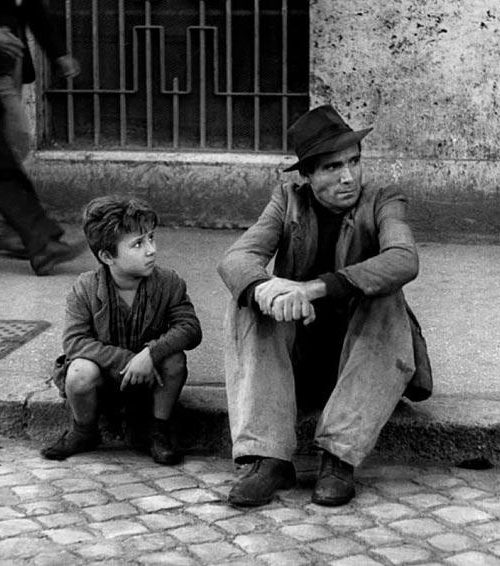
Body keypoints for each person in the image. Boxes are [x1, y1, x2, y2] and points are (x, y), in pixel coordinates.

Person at [217, 104, 432, 507]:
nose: (348, 176)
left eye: (354, 161)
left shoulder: (383, 199)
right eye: (333, 167)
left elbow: (404, 259)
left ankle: (338, 458)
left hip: (363, 361)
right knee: (247, 299)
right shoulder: (287, 200)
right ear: (308, 175)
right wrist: (266, 290)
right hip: (300, 360)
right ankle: (269, 459)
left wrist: (312, 289)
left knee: (385, 296)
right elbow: (237, 258)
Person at [41, 196, 203, 464]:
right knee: (79, 371)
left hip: (151, 380)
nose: (151, 249)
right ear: (107, 256)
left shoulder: (168, 282)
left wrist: (150, 354)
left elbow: (190, 328)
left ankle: (158, 430)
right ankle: (83, 431)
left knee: (175, 360)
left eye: (151, 238)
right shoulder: (86, 287)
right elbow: (74, 342)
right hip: (103, 378)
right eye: (138, 244)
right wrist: (129, 360)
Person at [0, 0, 80, 261]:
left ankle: (28, 234)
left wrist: (58, 53)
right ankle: (35, 237)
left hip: (7, 69)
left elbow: (33, 10)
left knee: (12, 149)